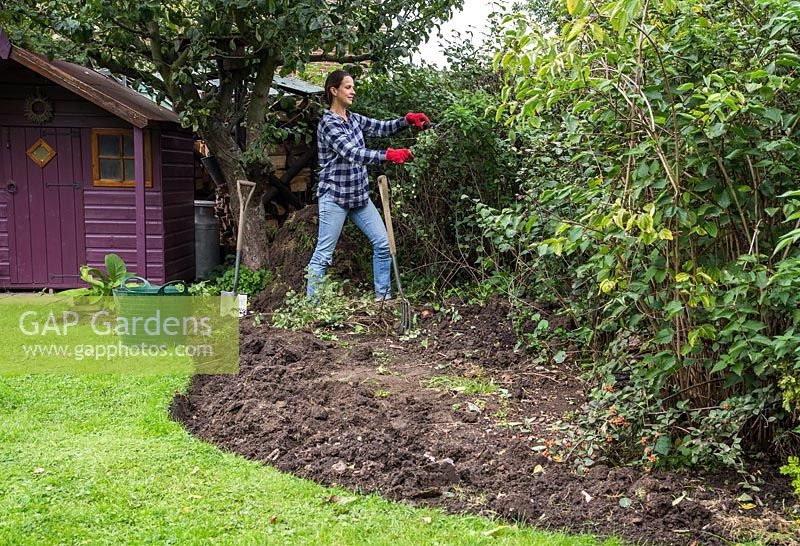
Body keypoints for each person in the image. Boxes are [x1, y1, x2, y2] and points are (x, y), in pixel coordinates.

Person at [306, 69, 429, 301]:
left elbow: (381, 128)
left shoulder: (353, 119)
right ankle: (310, 309)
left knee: (383, 244)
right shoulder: (328, 124)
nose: (353, 91)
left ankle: (382, 299)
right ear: (334, 91)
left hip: (358, 196)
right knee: (323, 255)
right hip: (335, 195)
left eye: (353, 87)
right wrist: (388, 155)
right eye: (348, 87)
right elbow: (352, 153)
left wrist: (406, 121)